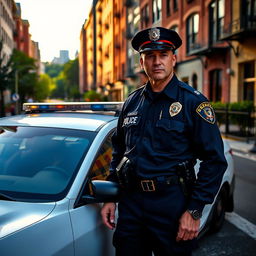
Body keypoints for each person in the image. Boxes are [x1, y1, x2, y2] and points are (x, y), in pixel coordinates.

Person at [101, 27, 227, 256]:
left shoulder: (193, 103)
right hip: (132, 203)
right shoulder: (132, 102)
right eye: (150, 56)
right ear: (142, 62)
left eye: (163, 55)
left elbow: (215, 161)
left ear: (174, 59)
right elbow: (119, 150)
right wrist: (111, 195)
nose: (157, 61)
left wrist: (194, 210)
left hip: (172, 204)